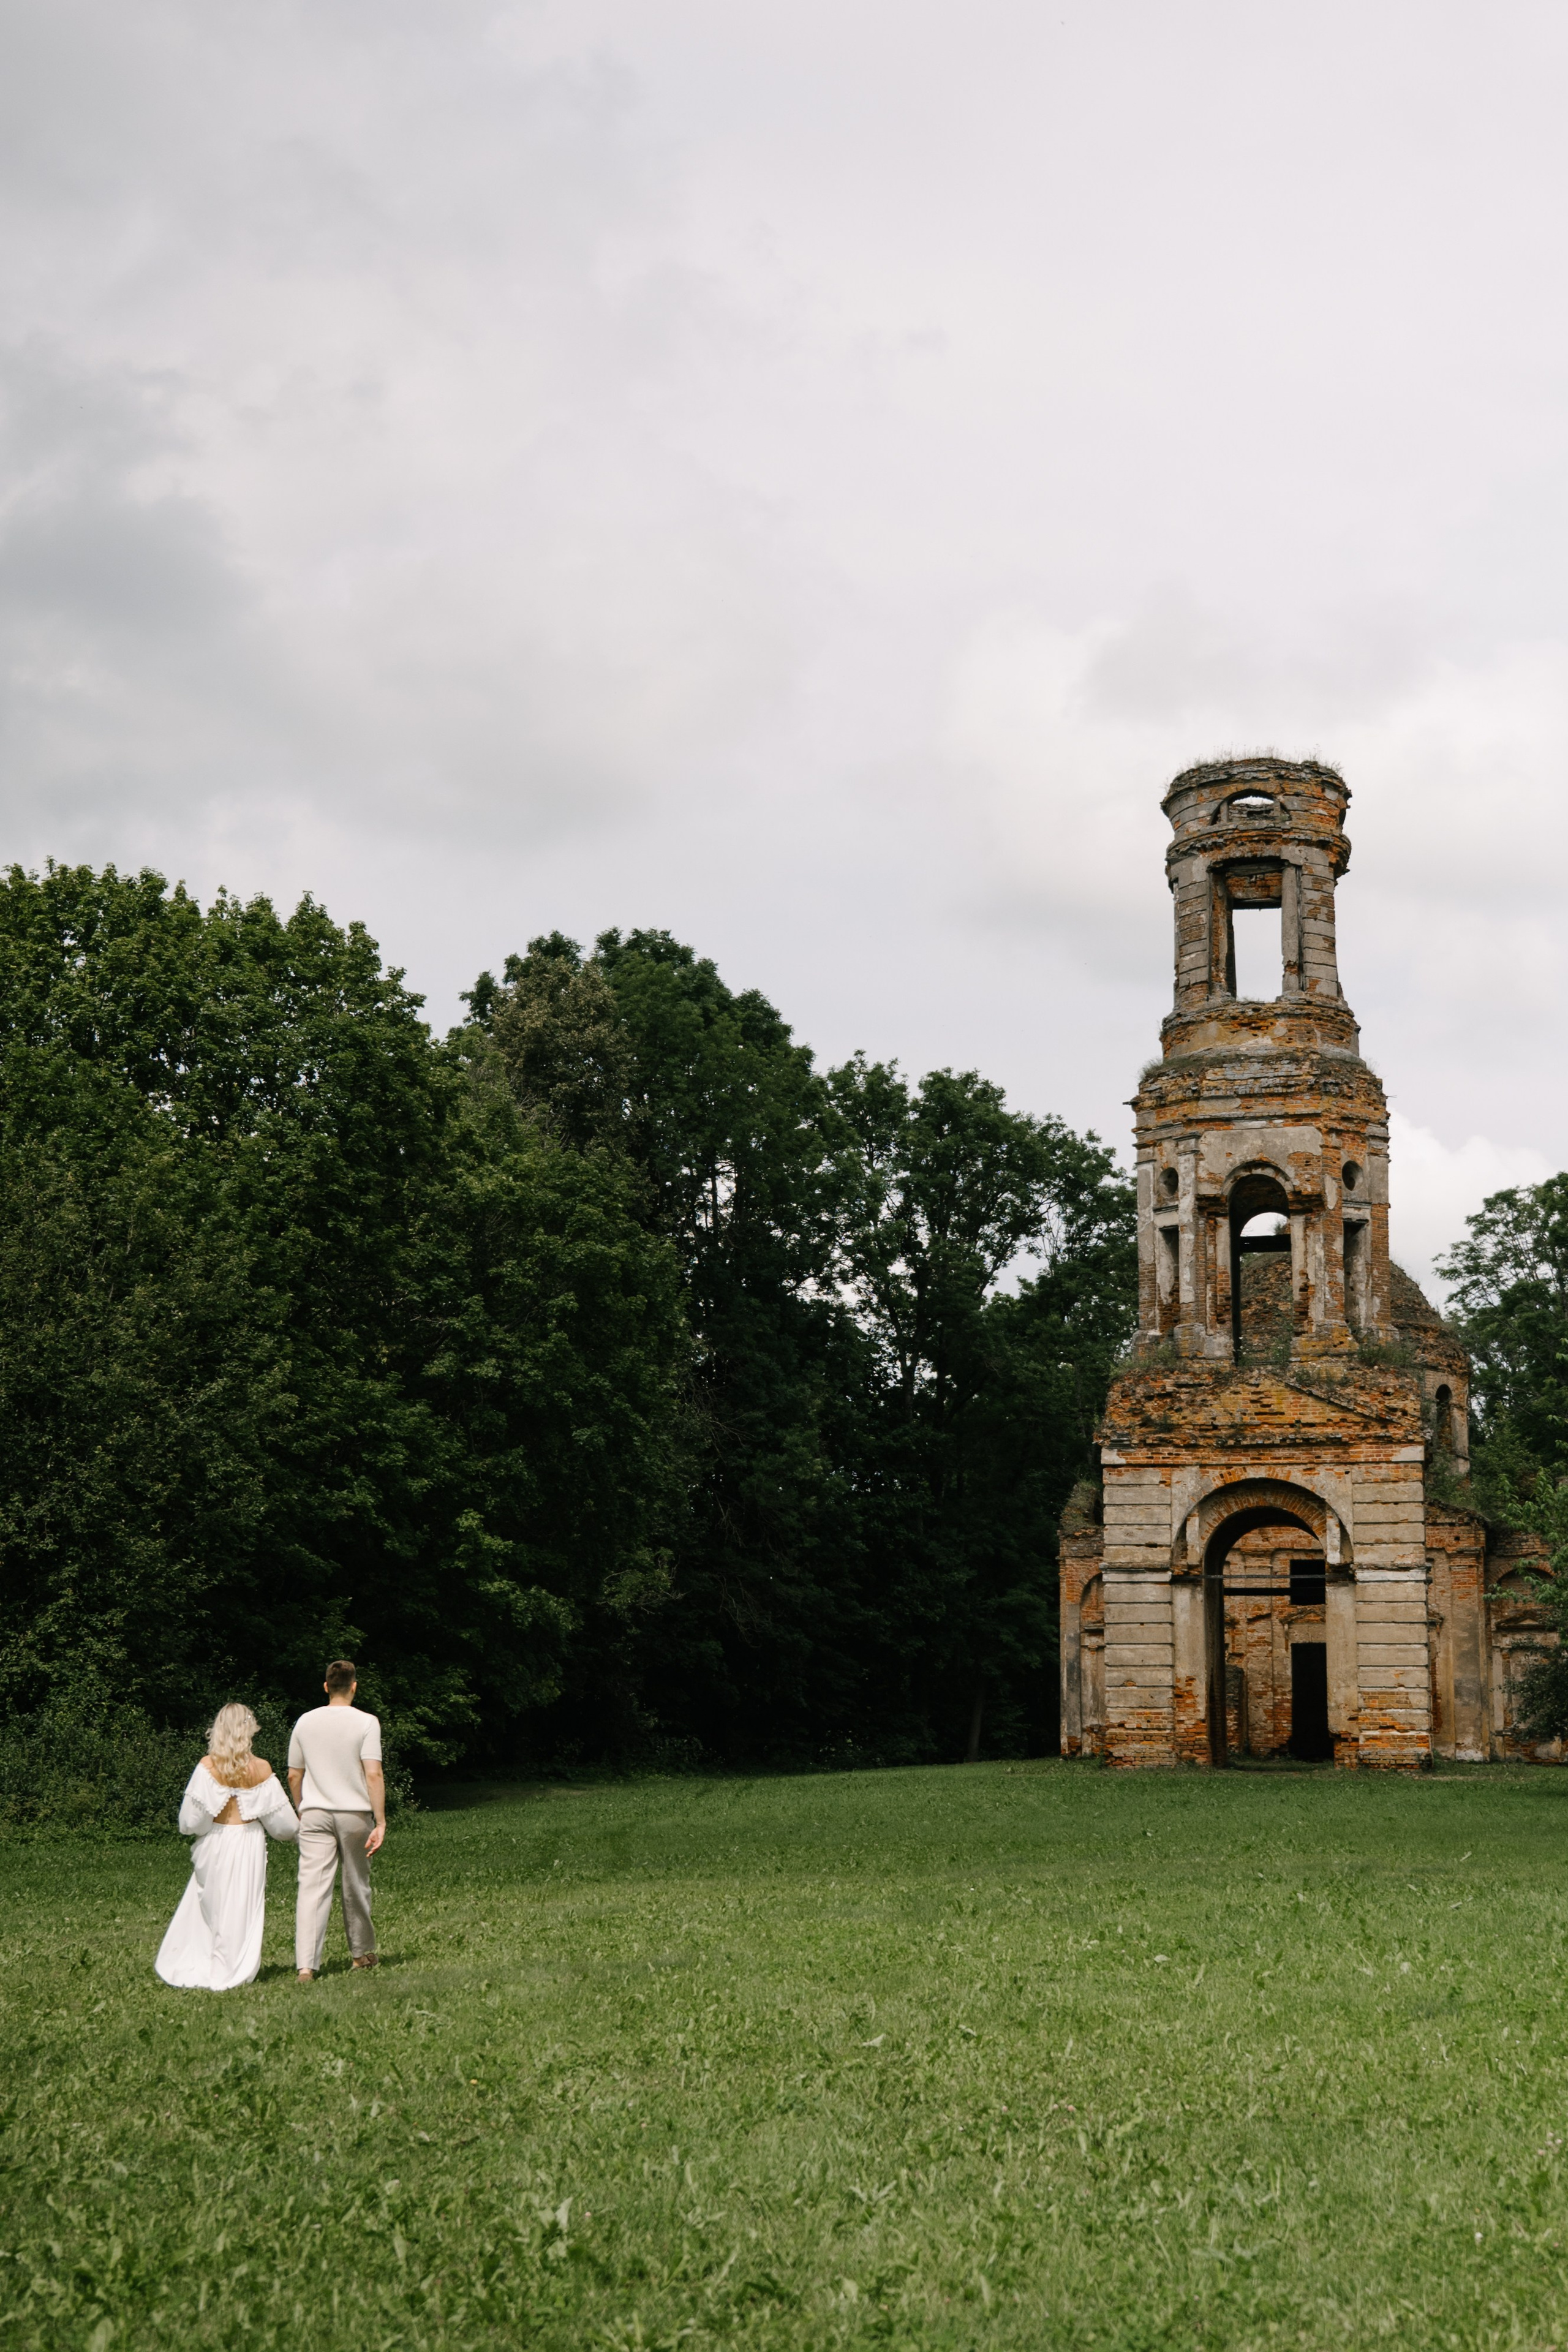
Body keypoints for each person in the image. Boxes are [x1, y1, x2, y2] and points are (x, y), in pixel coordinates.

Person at [156, 1703, 300, 1991]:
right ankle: (235, 1965)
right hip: (248, 1843)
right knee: (242, 1906)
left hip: (216, 1843)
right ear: (249, 1730)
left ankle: (205, 1960)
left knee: (212, 1904)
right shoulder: (261, 1769)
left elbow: (191, 1822)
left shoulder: (207, 1767)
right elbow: (284, 1827)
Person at [288, 1659, 386, 1983]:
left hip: (314, 1812)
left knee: (311, 1888)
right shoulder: (367, 1722)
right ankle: (361, 1955)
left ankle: (306, 1966)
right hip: (354, 1814)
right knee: (355, 1883)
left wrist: (302, 1809)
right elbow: (373, 1773)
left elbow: (293, 1775)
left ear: (326, 1687)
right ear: (354, 1686)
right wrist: (381, 1820)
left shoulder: (305, 1721)